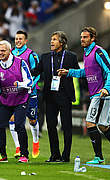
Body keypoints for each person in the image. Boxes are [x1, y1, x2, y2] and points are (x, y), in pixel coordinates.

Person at [58, 26, 110, 165]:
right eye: (81, 37)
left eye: (85, 37)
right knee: (103, 125)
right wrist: (69, 72)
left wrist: (106, 87)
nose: (82, 40)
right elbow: (86, 73)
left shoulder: (98, 51)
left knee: (90, 122)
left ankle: (99, 157)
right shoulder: (87, 53)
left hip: (101, 93)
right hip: (98, 93)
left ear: (92, 38)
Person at [31, 31, 79, 162]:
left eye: (54, 39)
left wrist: (68, 72)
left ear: (62, 42)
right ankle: (55, 154)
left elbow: (78, 73)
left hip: (65, 95)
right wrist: (20, 67)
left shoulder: (71, 56)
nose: (51, 42)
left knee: (66, 126)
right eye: (51, 39)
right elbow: (36, 71)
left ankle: (66, 155)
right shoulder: (45, 57)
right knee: (51, 126)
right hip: (50, 95)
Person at [0, 40, 33, 163]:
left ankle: (24, 154)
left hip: (21, 99)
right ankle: (2, 155)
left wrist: (19, 84)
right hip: (6, 100)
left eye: (3, 50)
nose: (0, 53)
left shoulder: (20, 62)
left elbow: (30, 81)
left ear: (10, 51)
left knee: (19, 125)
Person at [11, 30, 40, 158]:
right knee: (13, 119)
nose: (18, 41)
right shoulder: (10, 53)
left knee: (32, 119)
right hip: (15, 93)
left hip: (30, 92)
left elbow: (38, 73)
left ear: (25, 40)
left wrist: (29, 86)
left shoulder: (31, 55)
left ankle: (35, 142)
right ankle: (18, 147)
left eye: (20, 39)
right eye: (16, 39)